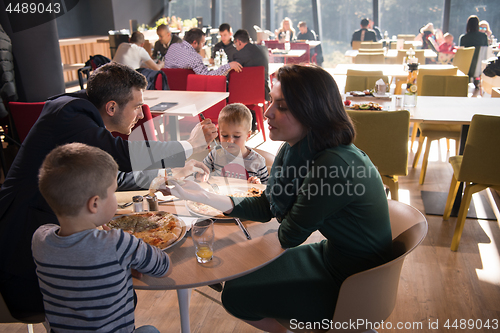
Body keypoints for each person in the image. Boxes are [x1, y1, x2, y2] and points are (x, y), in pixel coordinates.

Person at [169, 65, 392, 333]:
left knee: (236, 295)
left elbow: (288, 235)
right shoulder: (296, 148)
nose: (267, 112)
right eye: (272, 100)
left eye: (282, 106)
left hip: (357, 281)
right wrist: (206, 196)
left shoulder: (333, 165)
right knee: (237, 286)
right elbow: (267, 205)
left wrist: (280, 201)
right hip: (335, 255)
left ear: (313, 112)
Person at [0, 62, 215, 319]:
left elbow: (113, 174)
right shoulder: (71, 116)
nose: (139, 114)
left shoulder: (79, 112)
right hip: (24, 230)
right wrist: (190, 145)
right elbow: (121, 155)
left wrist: (165, 175)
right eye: (136, 106)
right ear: (111, 107)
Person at [33, 143, 168, 333]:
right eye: (113, 191)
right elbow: (163, 265)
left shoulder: (39, 239)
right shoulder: (117, 242)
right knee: (150, 330)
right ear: (94, 203)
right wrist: (129, 244)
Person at [199, 103, 269, 184]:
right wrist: (201, 175)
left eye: (236, 136)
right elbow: (200, 171)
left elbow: (267, 188)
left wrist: (258, 184)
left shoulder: (257, 162)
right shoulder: (216, 153)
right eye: (224, 135)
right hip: (219, 196)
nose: (230, 141)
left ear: (248, 136)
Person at [164, 28, 242, 76]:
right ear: (195, 42)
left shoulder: (172, 47)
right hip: (186, 92)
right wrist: (229, 66)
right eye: (202, 43)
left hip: (168, 89)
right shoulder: (194, 57)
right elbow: (207, 76)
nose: (203, 46)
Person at [232, 29, 270, 100]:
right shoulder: (264, 49)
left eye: (235, 44)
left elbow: (233, 76)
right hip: (264, 91)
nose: (236, 48)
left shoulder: (239, 55)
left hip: (247, 94)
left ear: (239, 42)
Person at [459, 15, 489, 86]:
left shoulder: (464, 38)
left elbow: (461, 52)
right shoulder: (484, 36)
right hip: (479, 66)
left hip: (467, 66)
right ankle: (477, 82)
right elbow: (486, 50)